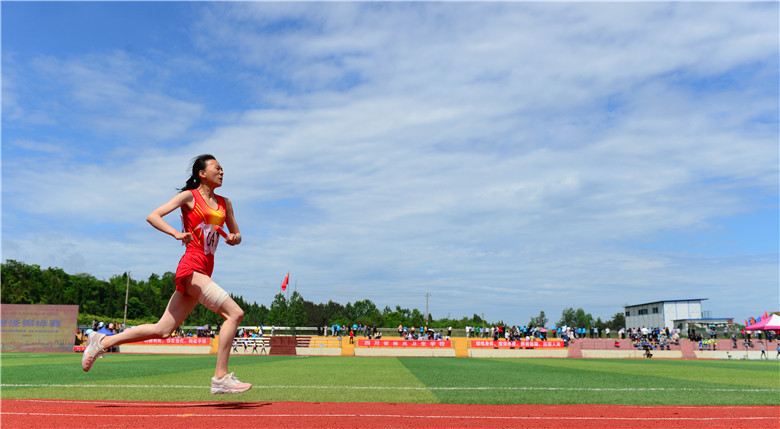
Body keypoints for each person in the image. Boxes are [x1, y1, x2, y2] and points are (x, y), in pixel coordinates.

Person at [81, 154, 251, 395]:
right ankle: (221, 377)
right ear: (202, 173)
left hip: (205, 268)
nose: (222, 172)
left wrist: (235, 238)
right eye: (217, 168)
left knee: (163, 329)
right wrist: (176, 233)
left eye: (223, 168)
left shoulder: (226, 203)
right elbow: (153, 216)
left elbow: (236, 234)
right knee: (235, 313)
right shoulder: (188, 197)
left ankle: (102, 341)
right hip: (191, 267)